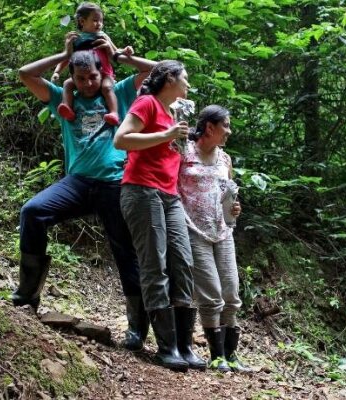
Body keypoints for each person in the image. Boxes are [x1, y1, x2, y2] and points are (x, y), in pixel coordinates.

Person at [12, 32, 157, 352]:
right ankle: (27, 295)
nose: (88, 83)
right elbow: (25, 74)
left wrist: (120, 55)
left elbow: (160, 70)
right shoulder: (63, 98)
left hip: (114, 182)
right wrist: (63, 54)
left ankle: (136, 328)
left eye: (92, 76)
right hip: (77, 182)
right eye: (80, 78)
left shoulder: (116, 91)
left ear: (100, 73)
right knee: (33, 212)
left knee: (125, 251)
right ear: (72, 77)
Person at [113, 60, 205, 372]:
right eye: (185, 79)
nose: (188, 86)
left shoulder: (174, 114)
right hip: (141, 190)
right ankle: (167, 347)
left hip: (169, 195)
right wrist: (166, 134)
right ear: (169, 79)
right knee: (155, 264)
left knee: (183, 261)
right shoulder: (148, 103)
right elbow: (121, 139)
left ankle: (185, 345)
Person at [178, 105, 250, 372]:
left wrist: (235, 208)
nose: (229, 132)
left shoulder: (225, 159)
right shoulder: (183, 152)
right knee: (210, 296)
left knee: (231, 294)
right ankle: (216, 355)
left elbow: (228, 193)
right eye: (226, 126)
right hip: (194, 230)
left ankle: (231, 356)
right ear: (209, 127)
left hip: (223, 231)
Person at [50, 2, 131, 126]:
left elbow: (115, 51)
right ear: (82, 21)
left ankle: (114, 113)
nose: (99, 24)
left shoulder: (103, 36)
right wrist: (57, 72)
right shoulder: (75, 39)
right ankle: (67, 107)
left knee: (107, 88)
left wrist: (125, 51)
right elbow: (66, 57)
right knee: (67, 84)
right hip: (81, 76)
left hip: (103, 74)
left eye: (101, 21)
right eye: (95, 20)